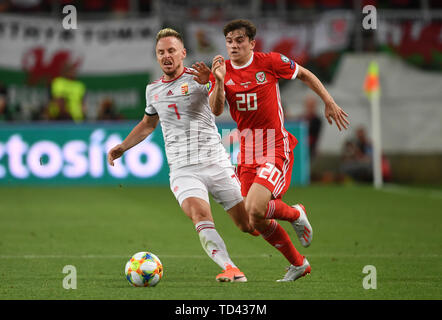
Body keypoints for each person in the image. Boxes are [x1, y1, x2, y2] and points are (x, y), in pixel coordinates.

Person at [107, 28, 256, 283]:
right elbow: (147, 124)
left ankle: (293, 214)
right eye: (161, 52)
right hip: (183, 169)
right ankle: (230, 268)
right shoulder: (152, 90)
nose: (166, 56)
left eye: (171, 50)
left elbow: (218, 109)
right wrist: (123, 146)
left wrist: (215, 82)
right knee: (199, 213)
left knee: (248, 225)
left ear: (183, 53)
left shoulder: (200, 78)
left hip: (215, 162)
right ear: (157, 57)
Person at [208, 19, 349, 282]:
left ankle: (295, 213)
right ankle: (298, 264)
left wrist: (328, 101)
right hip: (248, 152)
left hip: (275, 145)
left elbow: (305, 74)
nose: (234, 45)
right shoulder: (221, 70)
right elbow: (216, 110)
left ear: (252, 43)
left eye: (240, 40)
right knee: (251, 222)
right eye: (229, 41)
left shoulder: (270, 62)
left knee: (255, 207)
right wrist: (217, 81)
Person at [298, 94, 323, 163]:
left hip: (310, 149)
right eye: (308, 105)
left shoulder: (317, 120)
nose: (310, 108)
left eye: (311, 105)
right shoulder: (301, 118)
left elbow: (314, 135)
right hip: (300, 149)